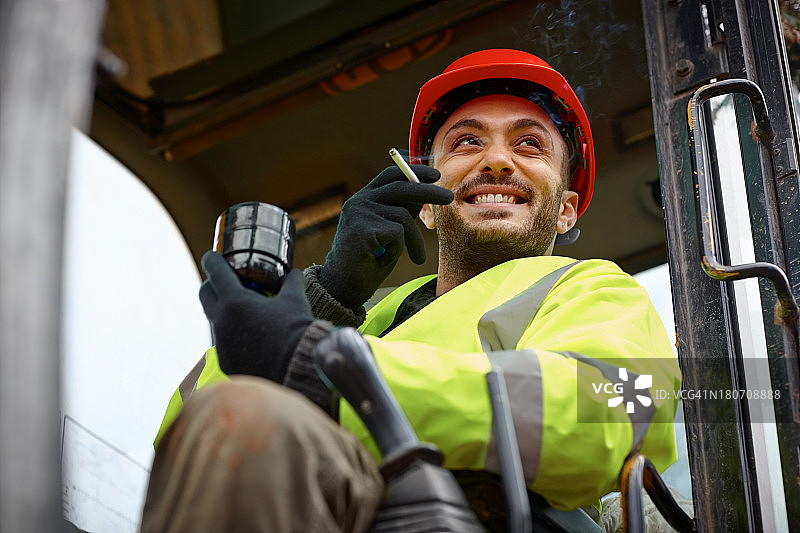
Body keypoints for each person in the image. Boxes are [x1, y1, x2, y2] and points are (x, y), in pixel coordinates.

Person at [141, 49, 681, 533]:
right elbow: (197, 439)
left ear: (564, 210)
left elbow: (615, 411)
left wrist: (325, 371)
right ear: (425, 199)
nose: (496, 160)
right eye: (467, 141)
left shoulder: (596, 291)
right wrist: (329, 297)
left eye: (530, 145)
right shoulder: (365, 315)